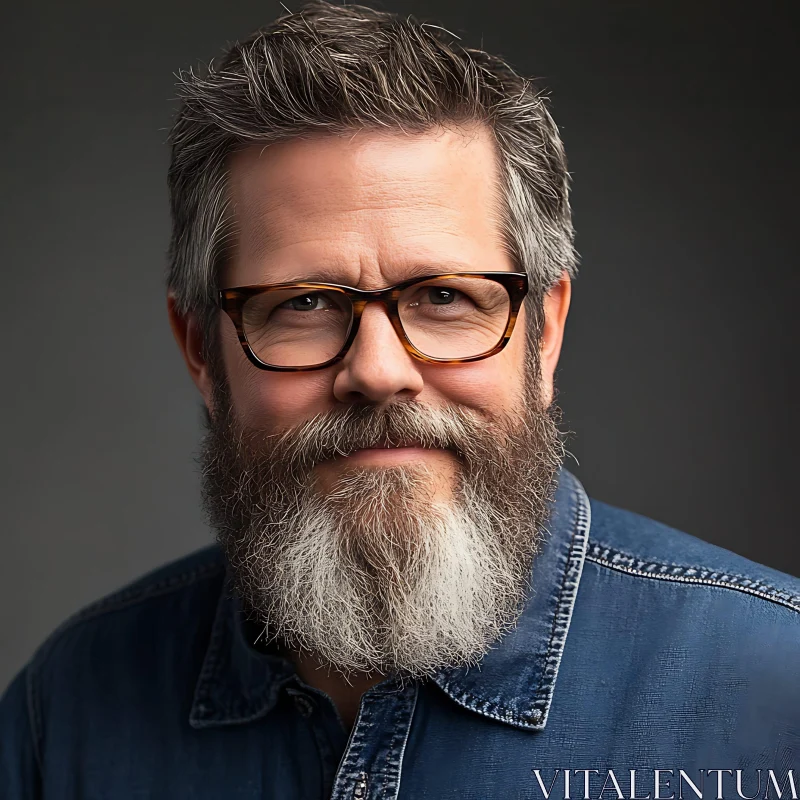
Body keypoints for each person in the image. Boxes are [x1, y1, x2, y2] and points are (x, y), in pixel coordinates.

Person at [1, 2, 798, 798]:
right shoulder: (63, 715)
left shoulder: (779, 690)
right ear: (200, 351)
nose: (378, 372)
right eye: (305, 304)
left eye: (445, 296)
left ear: (545, 334)